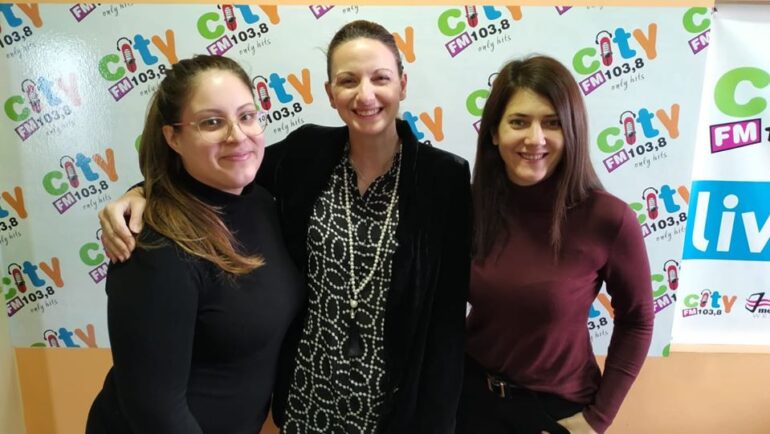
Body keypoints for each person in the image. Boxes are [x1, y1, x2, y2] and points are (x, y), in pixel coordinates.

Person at [98, 20, 471, 434]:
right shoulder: (305, 154)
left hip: (390, 408)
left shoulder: (444, 180)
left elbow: (447, 324)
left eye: (380, 78)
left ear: (402, 83)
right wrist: (141, 194)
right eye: (348, 80)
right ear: (330, 92)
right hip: (305, 401)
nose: (365, 94)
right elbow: (221, 173)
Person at [86, 55, 304, 434]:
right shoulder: (156, 245)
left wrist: (141, 190)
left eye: (246, 116)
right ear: (173, 137)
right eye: (212, 122)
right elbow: (155, 412)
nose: (237, 135)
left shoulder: (261, 201)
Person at [456, 56, 653, 434]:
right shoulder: (468, 206)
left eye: (552, 123)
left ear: (572, 131)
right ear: (494, 132)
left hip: (555, 411)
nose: (535, 139)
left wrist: (597, 418)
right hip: (471, 400)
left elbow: (638, 320)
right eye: (518, 122)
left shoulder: (608, 219)